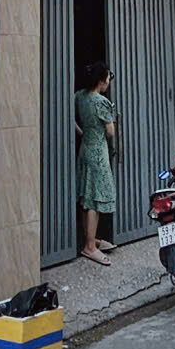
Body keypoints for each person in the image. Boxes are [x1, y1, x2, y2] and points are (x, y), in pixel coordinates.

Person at [75, 65, 117, 263]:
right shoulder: (102, 102)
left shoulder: (80, 96)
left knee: (86, 196)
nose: (108, 82)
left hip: (85, 148)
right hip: (98, 153)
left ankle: (90, 239)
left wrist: (82, 132)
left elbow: (69, 117)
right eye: (108, 78)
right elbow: (110, 132)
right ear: (101, 81)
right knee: (95, 199)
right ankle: (90, 247)